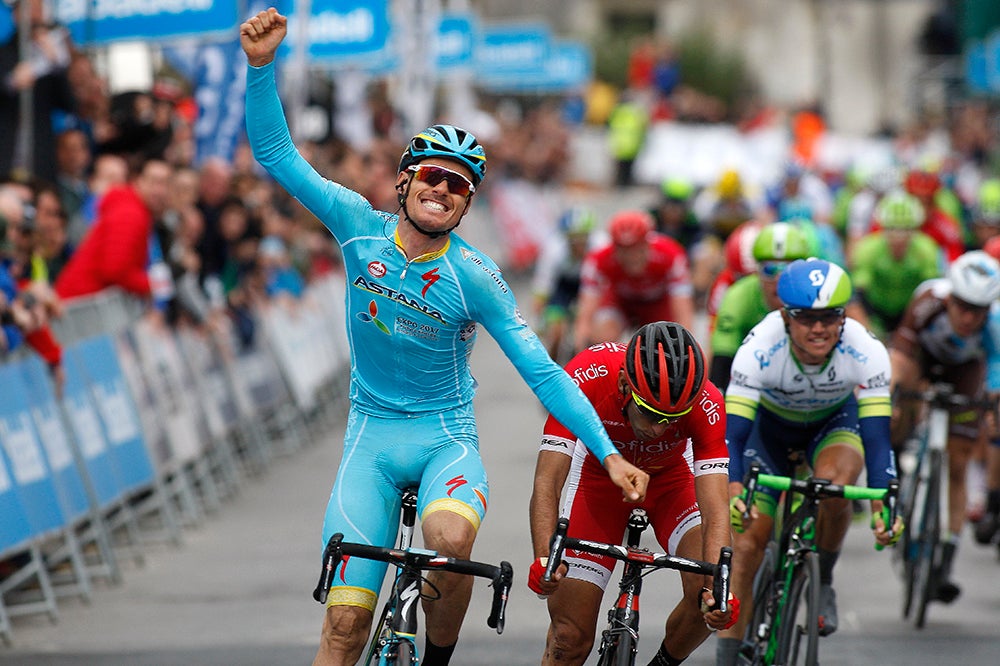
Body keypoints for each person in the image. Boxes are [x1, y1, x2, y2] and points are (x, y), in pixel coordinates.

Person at [239, 9, 649, 666]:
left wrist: (607, 451)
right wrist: (261, 70)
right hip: (371, 437)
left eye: (458, 185)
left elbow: (544, 374)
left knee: (448, 544)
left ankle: (436, 658)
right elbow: (276, 156)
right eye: (432, 174)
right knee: (343, 630)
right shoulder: (356, 227)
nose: (442, 188)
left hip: (443, 440)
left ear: (466, 204)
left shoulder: (473, 277)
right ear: (405, 181)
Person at [717, 258, 901, 665]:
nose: (819, 328)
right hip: (768, 433)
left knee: (835, 487)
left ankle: (825, 579)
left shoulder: (866, 350)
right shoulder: (760, 347)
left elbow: (876, 439)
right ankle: (727, 654)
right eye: (806, 318)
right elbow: (733, 434)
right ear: (785, 316)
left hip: (832, 426)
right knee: (747, 542)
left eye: (830, 317)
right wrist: (732, 489)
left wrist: (884, 505)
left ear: (843, 316)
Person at [528, 322, 738, 666]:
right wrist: (543, 556)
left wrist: (719, 587)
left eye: (673, 419)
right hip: (599, 479)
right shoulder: (587, 374)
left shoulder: (707, 402)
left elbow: (716, 509)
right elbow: (547, 480)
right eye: (652, 413)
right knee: (569, 639)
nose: (660, 429)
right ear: (626, 383)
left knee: (708, 594)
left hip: (672, 480)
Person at [889, 250, 1000, 603]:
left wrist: (992, 407)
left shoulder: (994, 325)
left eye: (978, 311)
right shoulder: (926, 301)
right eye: (963, 306)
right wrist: (894, 394)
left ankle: (945, 561)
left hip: (965, 371)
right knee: (897, 400)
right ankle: (898, 461)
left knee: (958, 463)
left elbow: (994, 376)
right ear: (950, 297)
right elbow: (901, 355)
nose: (969, 318)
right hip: (922, 358)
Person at [708, 222, 811, 391]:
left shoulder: (816, 295)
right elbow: (721, 362)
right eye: (770, 269)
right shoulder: (737, 297)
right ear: (756, 271)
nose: (779, 278)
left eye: (788, 268)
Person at [54, 157, 172, 302]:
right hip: (79, 306)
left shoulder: (134, 211)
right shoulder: (130, 214)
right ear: (138, 180)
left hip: (85, 304)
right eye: (154, 182)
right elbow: (114, 270)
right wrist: (151, 285)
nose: (160, 191)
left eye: (166, 184)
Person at [573, 209, 694, 350]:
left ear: (647, 243)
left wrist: (686, 348)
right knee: (602, 334)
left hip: (658, 304)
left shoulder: (671, 255)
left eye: (637, 249)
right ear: (614, 247)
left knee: (666, 343)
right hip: (621, 303)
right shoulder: (597, 260)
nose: (631, 256)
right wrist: (581, 355)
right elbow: (585, 315)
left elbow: (684, 312)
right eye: (624, 250)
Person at [849, 189, 942, 339]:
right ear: (883, 229)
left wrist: (914, 326)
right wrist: (867, 330)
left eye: (906, 230)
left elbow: (932, 291)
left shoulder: (927, 249)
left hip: (909, 310)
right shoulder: (867, 248)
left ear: (915, 230)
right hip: (876, 309)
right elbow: (858, 294)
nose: (899, 238)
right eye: (892, 230)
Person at [531, 205, 598, 363]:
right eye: (574, 240)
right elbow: (542, 289)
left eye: (583, 238)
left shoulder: (600, 245)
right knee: (556, 334)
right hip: (562, 288)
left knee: (589, 335)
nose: (578, 245)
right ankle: (553, 371)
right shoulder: (553, 250)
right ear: (566, 238)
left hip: (588, 287)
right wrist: (538, 319)